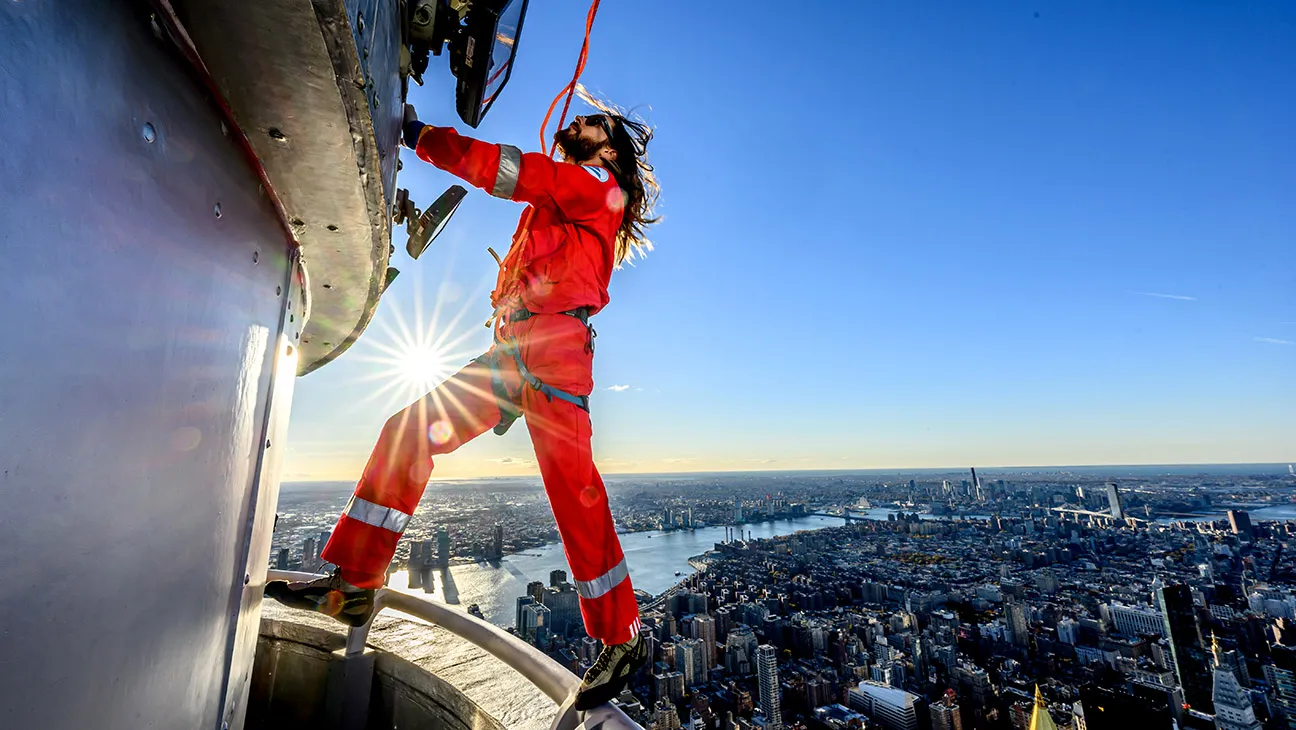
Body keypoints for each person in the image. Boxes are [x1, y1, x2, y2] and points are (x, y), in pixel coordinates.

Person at [267, 102, 659, 711]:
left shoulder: (594, 185)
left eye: (594, 125)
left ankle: (621, 636)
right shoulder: (564, 203)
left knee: (573, 489)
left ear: (608, 152)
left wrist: (423, 137)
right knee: (410, 429)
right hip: (518, 349)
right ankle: (356, 584)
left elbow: (510, 170)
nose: (579, 125)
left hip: (554, 350)